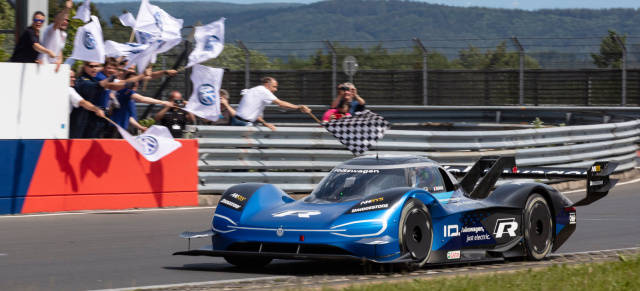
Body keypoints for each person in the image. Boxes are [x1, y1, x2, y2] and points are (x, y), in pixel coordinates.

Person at [70, 61, 148, 138]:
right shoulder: (92, 78)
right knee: (79, 140)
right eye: (91, 66)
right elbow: (98, 86)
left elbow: (115, 84)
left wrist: (126, 84)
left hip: (94, 116)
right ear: (85, 67)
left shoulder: (94, 77)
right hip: (83, 116)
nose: (94, 69)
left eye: (96, 66)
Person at [106, 72, 174, 138]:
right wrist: (162, 102)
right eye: (133, 81)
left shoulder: (127, 95)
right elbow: (142, 99)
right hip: (116, 129)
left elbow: (129, 117)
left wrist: (139, 127)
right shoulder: (127, 91)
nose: (135, 83)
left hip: (123, 128)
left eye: (137, 81)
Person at [232, 77, 311, 131]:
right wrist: (298, 107)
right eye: (274, 87)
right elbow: (281, 104)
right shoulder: (263, 91)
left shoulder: (256, 90)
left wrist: (265, 123)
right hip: (244, 123)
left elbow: (253, 114)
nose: (275, 89)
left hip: (239, 121)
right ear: (267, 85)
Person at [38, 0, 72, 72]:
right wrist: (66, 9)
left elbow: (59, 50)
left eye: (67, 20)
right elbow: (58, 22)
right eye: (63, 19)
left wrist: (59, 60)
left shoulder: (63, 34)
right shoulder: (51, 29)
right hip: (43, 65)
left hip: (52, 68)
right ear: (56, 19)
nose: (65, 22)